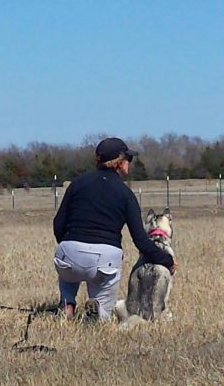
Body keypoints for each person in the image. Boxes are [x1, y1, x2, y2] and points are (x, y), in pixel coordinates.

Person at [53, 137, 175, 321]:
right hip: (104, 259)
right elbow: (141, 241)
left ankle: (68, 304)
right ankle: (98, 312)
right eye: (128, 159)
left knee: (69, 268)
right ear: (119, 162)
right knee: (104, 309)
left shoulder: (77, 184)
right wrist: (167, 259)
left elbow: (58, 224)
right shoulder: (125, 194)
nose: (130, 163)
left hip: (69, 254)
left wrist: (70, 246)